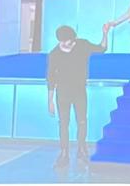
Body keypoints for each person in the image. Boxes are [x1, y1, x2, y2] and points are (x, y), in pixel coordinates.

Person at [46, 23, 109, 164]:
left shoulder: (82, 45)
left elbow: (102, 48)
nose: (65, 44)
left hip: (79, 90)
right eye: (62, 41)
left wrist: (105, 33)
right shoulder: (54, 54)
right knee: (63, 123)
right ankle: (64, 152)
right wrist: (50, 100)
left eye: (67, 41)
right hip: (62, 92)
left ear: (73, 39)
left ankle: (81, 149)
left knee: (82, 121)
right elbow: (50, 77)